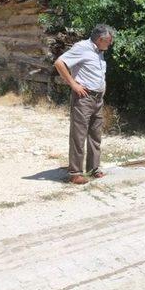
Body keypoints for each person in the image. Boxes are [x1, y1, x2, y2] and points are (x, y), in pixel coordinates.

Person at [54, 24, 115, 185]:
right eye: (109, 41)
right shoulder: (82, 47)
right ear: (100, 39)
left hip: (97, 98)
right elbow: (59, 63)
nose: (110, 44)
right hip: (84, 98)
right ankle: (75, 173)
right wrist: (73, 84)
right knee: (78, 135)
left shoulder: (99, 52)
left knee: (95, 134)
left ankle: (93, 168)